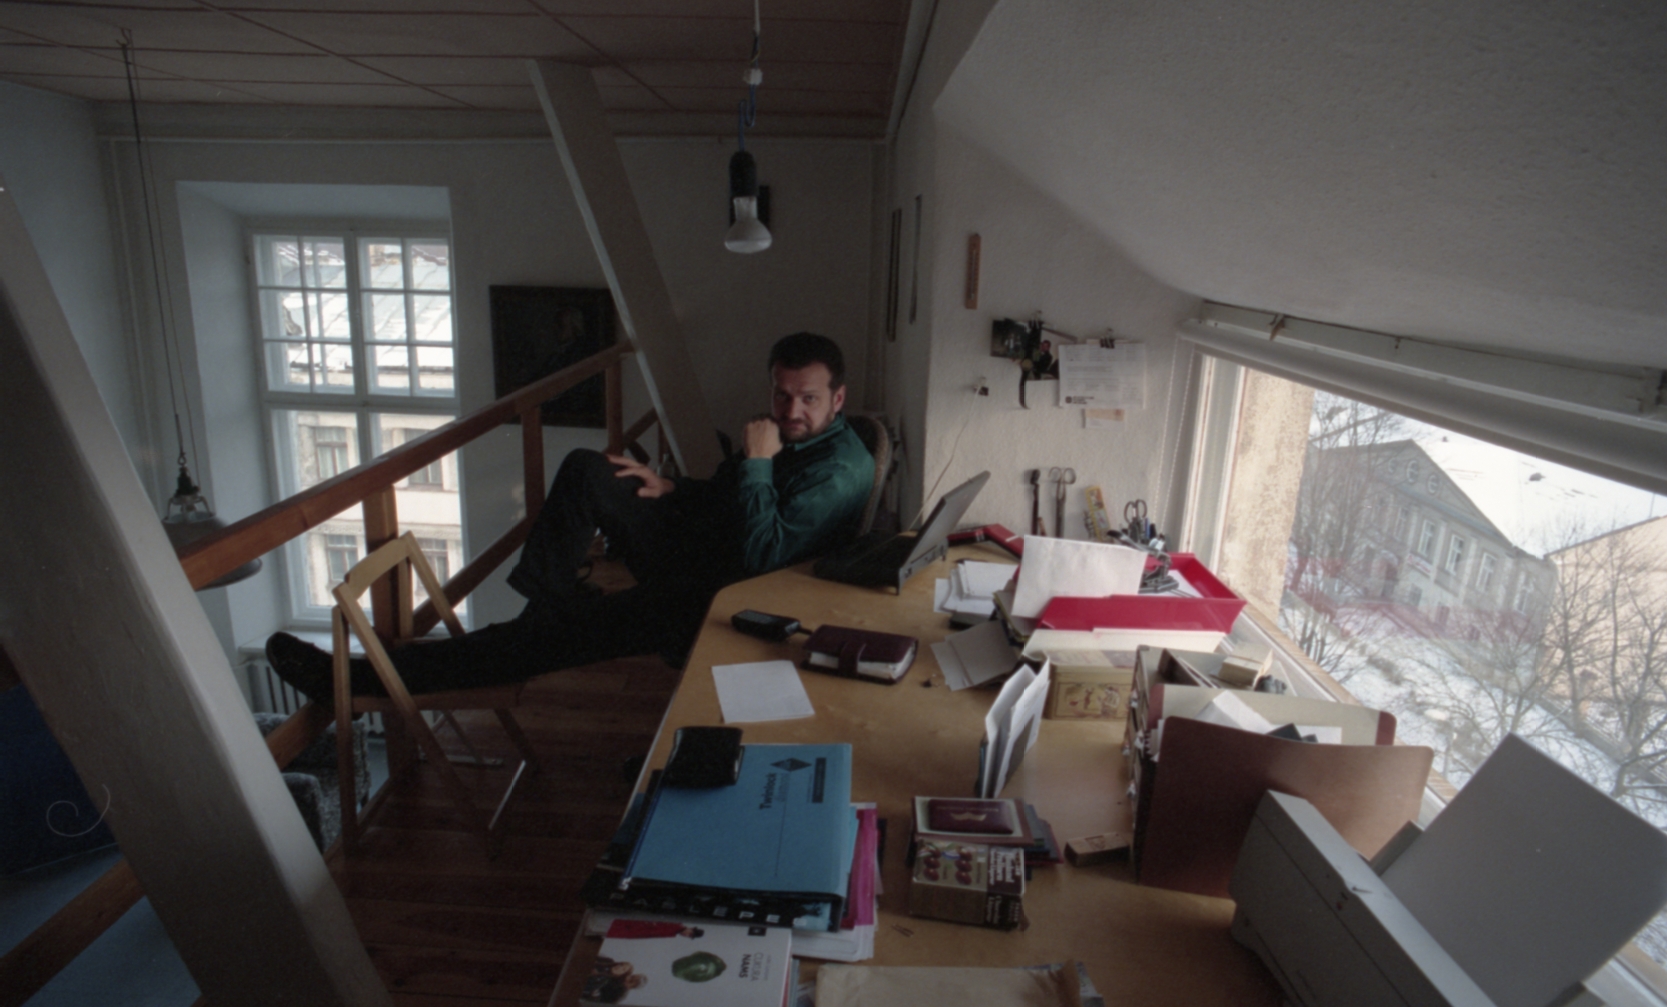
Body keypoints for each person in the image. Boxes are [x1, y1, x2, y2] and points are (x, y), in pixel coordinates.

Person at [266, 332, 873, 703]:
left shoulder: (837, 470)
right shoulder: (793, 438)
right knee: (590, 468)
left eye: (808, 398)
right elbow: (725, 498)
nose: (790, 410)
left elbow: (763, 557)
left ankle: (354, 680)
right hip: (706, 550)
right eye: (782, 394)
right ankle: (548, 595)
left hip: (728, 595)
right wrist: (671, 486)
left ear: (838, 399)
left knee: (539, 641)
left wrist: (760, 462)